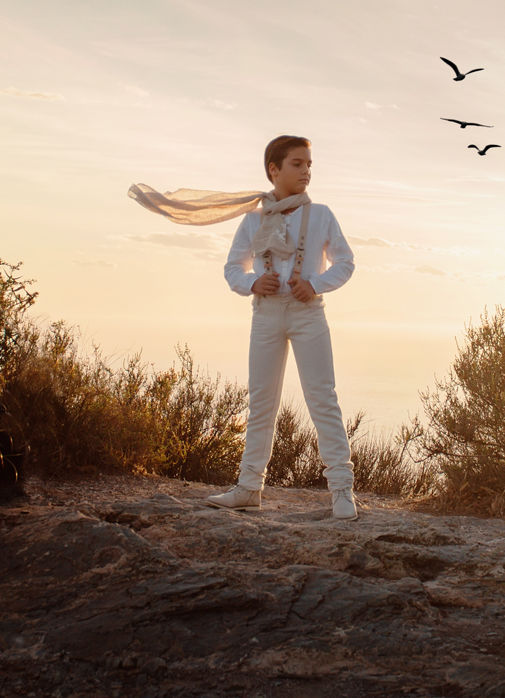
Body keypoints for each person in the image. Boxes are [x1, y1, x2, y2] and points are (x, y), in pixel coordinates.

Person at [126, 135, 358, 520]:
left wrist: (314, 284)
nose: (306, 172)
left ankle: (342, 491)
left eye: (309, 165)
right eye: (298, 164)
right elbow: (233, 266)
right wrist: (251, 283)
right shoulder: (254, 217)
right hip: (265, 314)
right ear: (274, 169)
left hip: (308, 313)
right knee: (261, 402)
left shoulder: (321, 215)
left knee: (322, 399)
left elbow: (345, 262)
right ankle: (249, 488)